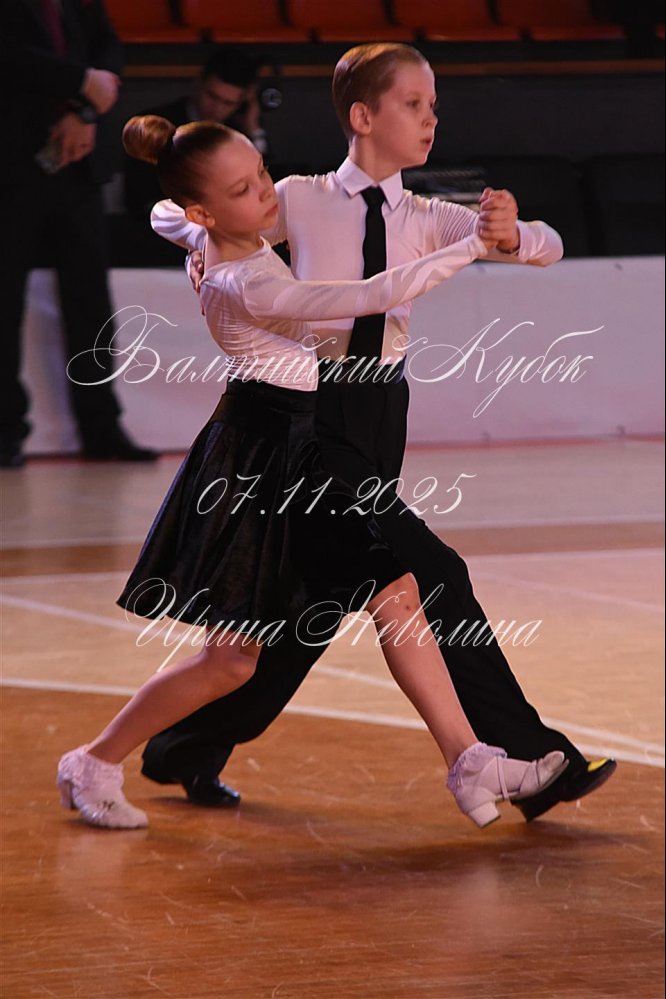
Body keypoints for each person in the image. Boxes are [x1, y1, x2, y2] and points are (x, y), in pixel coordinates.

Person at [56, 116, 568, 833]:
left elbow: (163, 211)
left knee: (391, 590)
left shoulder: (208, 236)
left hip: (299, 443)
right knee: (233, 660)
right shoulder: (245, 279)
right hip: (258, 456)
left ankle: (469, 759)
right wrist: (470, 248)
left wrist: (187, 220)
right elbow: (366, 295)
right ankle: (93, 760)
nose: (267, 194)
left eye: (262, 175)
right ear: (209, 212)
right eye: (243, 190)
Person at [147, 43, 616, 822]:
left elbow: (548, 245)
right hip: (307, 412)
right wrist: (199, 242)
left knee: (311, 607)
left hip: (379, 414)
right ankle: (534, 758)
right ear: (363, 117)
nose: (431, 119)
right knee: (435, 571)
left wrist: (510, 231)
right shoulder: (296, 197)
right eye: (414, 104)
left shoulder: (428, 216)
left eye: (434, 106)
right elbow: (177, 208)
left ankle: (182, 748)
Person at [0, 0, 157, 468]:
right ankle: (5, 430)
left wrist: (84, 109)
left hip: (77, 161)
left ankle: (101, 426)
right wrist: (79, 82)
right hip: (11, 161)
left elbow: (107, 45)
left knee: (90, 302)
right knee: (4, 301)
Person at [124, 45, 267, 223]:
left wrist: (254, 130)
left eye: (228, 103)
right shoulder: (157, 125)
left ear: (243, 102)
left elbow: (263, 188)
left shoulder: (238, 132)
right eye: (212, 96)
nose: (217, 108)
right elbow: (138, 194)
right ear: (199, 83)